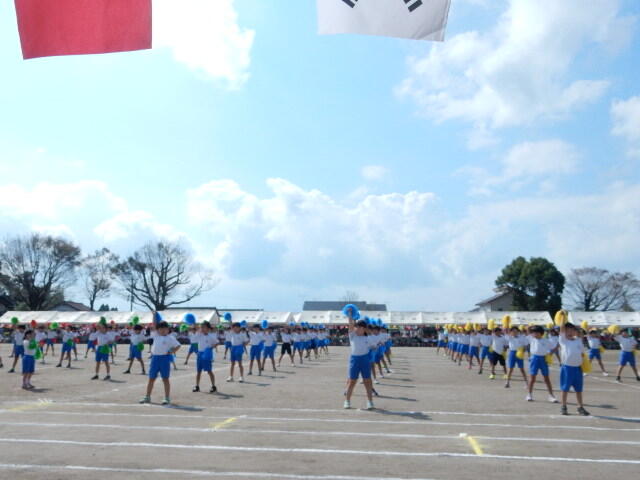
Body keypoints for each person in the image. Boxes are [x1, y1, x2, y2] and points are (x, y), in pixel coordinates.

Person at [140, 321, 181, 405]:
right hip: (155, 358)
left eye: (165, 329)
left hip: (164, 359)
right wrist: (154, 315)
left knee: (165, 379)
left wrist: (171, 351)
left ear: (168, 329)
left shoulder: (170, 338)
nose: (163, 330)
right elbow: (154, 323)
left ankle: (167, 398)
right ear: (157, 330)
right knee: (151, 378)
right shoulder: (156, 335)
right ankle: (147, 396)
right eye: (161, 329)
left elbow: (178, 345)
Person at [343, 306, 375, 410]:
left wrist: (374, 347)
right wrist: (350, 314)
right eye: (356, 327)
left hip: (365, 360)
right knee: (352, 381)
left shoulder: (368, 338)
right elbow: (350, 324)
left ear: (364, 329)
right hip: (354, 360)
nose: (357, 328)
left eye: (359, 327)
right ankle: (347, 401)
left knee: (367, 381)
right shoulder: (352, 336)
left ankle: (370, 402)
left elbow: (373, 347)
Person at [558, 323, 589, 415]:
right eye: (567, 330)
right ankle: (563, 406)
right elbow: (561, 328)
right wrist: (563, 319)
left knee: (579, 389)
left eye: (572, 330)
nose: (570, 332)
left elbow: (582, 351)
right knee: (565, 388)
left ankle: (580, 407)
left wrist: (580, 330)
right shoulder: (563, 340)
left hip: (577, 368)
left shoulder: (578, 341)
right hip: (567, 368)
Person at [526, 326, 558, 403]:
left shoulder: (546, 341)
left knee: (546, 378)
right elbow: (528, 330)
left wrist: (550, 354)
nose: (535, 334)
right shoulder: (531, 338)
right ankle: (529, 394)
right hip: (534, 359)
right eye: (533, 332)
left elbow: (555, 347)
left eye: (537, 332)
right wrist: (531, 327)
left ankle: (551, 396)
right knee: (532, 378)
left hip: (543, 359)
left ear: (541, 333)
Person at [193, 321, 218, 393]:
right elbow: (194, 339)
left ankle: (213, 386)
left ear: (208, 329)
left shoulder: (211, 336)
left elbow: (216, 342)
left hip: (207, 355)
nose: (202, 329)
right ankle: (197, 386)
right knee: (198, 371)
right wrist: (197, 328)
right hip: (200, 354)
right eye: (202, 327)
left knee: (209, 371)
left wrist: (211, 347)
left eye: (204, 327)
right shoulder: (199, 335)